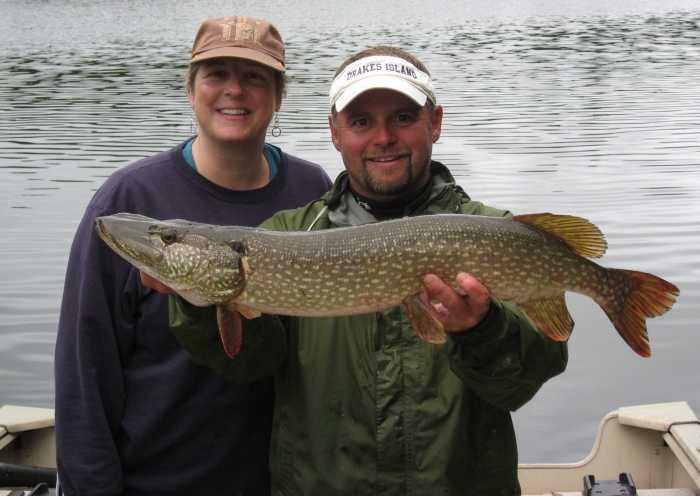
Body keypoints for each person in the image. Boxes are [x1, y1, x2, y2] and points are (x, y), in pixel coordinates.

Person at [165, 46, 568, 495]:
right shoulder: (288, 234)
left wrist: (482, 328)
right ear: (335, 133)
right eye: (360, 121)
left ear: (434, 123)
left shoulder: (493, 233)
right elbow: (248, 364)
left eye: (402, 117)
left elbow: (524, 381)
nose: (383, 138)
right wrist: (201, 300)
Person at [54, 15, 333, 496]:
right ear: (191, 89)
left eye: (254, 77)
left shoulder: (314, 193)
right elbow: (85, 373)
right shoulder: (131, 201)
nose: (234, 91)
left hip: (281, 481)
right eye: (216, 74)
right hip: (157, 482)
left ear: (278, 96)